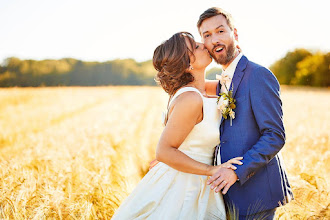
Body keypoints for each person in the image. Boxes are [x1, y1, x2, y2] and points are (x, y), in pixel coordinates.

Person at [111, 32, 243, 220]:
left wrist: (234, 50)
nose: (204, 45)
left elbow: (236, 83)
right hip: (184, 186)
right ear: (188, 64)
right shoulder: (190, 98)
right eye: (196, 46)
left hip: (198, 182)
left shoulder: (202, 90)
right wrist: (212, 170)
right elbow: (163, 152)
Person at [198, 7, 294, 219]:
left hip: (256, 194)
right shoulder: (222, 80)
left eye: (220, 31)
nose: (214, 40)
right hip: (227, 195)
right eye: (207, 35)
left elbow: (274, 135)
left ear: (235, 34)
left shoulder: (258, 75)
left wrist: (235, 172)